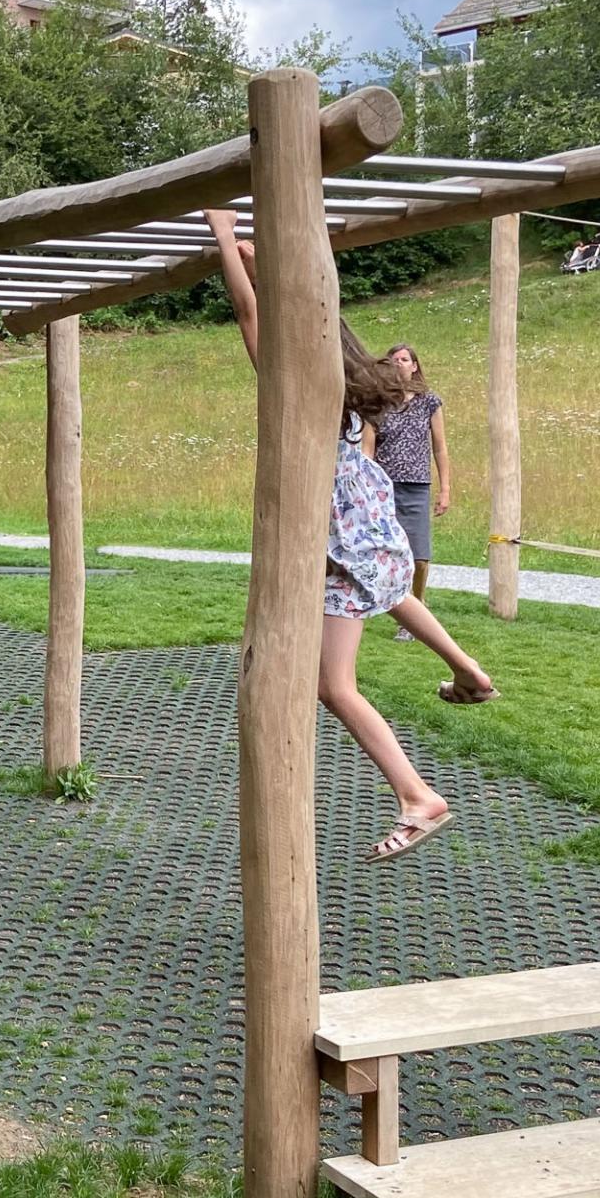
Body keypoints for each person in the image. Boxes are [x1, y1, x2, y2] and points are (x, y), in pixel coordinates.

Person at [202, 209, 499, 864]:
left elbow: (251, 315)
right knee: (393, 589)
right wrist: (257, 259)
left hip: (333, 521)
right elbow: (286, 306)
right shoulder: (339, 374)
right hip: (365, 504)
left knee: (333, 686)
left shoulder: (297, 384)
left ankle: (419, 797)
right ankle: (467, 667)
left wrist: (223, 234)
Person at [372, 345, 448, 641]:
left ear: (415, 366)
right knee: (384, 551)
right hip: (384, 485)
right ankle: (389, 606)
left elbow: (439, 447)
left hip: (416, 484)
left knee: (419, 555)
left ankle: (416, 609)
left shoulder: (429, 402)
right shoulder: (379, 402)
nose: (399, 364)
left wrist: (446, 489)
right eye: (394, 361)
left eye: (404, 360)